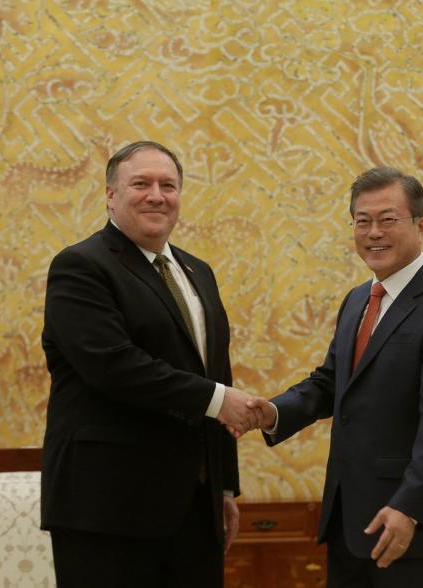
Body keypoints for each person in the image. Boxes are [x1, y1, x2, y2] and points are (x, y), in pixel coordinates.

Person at [247, 167, 423, 587]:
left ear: (421, 225)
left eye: (388, 220)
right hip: (350, 521)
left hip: (413, 525)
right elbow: (329, 383)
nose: (374, 233)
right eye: (362, 221)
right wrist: (272, 413)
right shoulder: (358, 300)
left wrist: (407, 507)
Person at [40, 140, 258, 587]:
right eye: (141, 183)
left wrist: (223, 485)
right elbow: (113, 366)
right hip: (108, 510)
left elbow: (217, 373)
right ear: (110, 195)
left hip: (195, 509)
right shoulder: (81, 266)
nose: (156, 195)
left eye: (168, 185)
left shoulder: (199, 271)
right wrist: (218, 400)